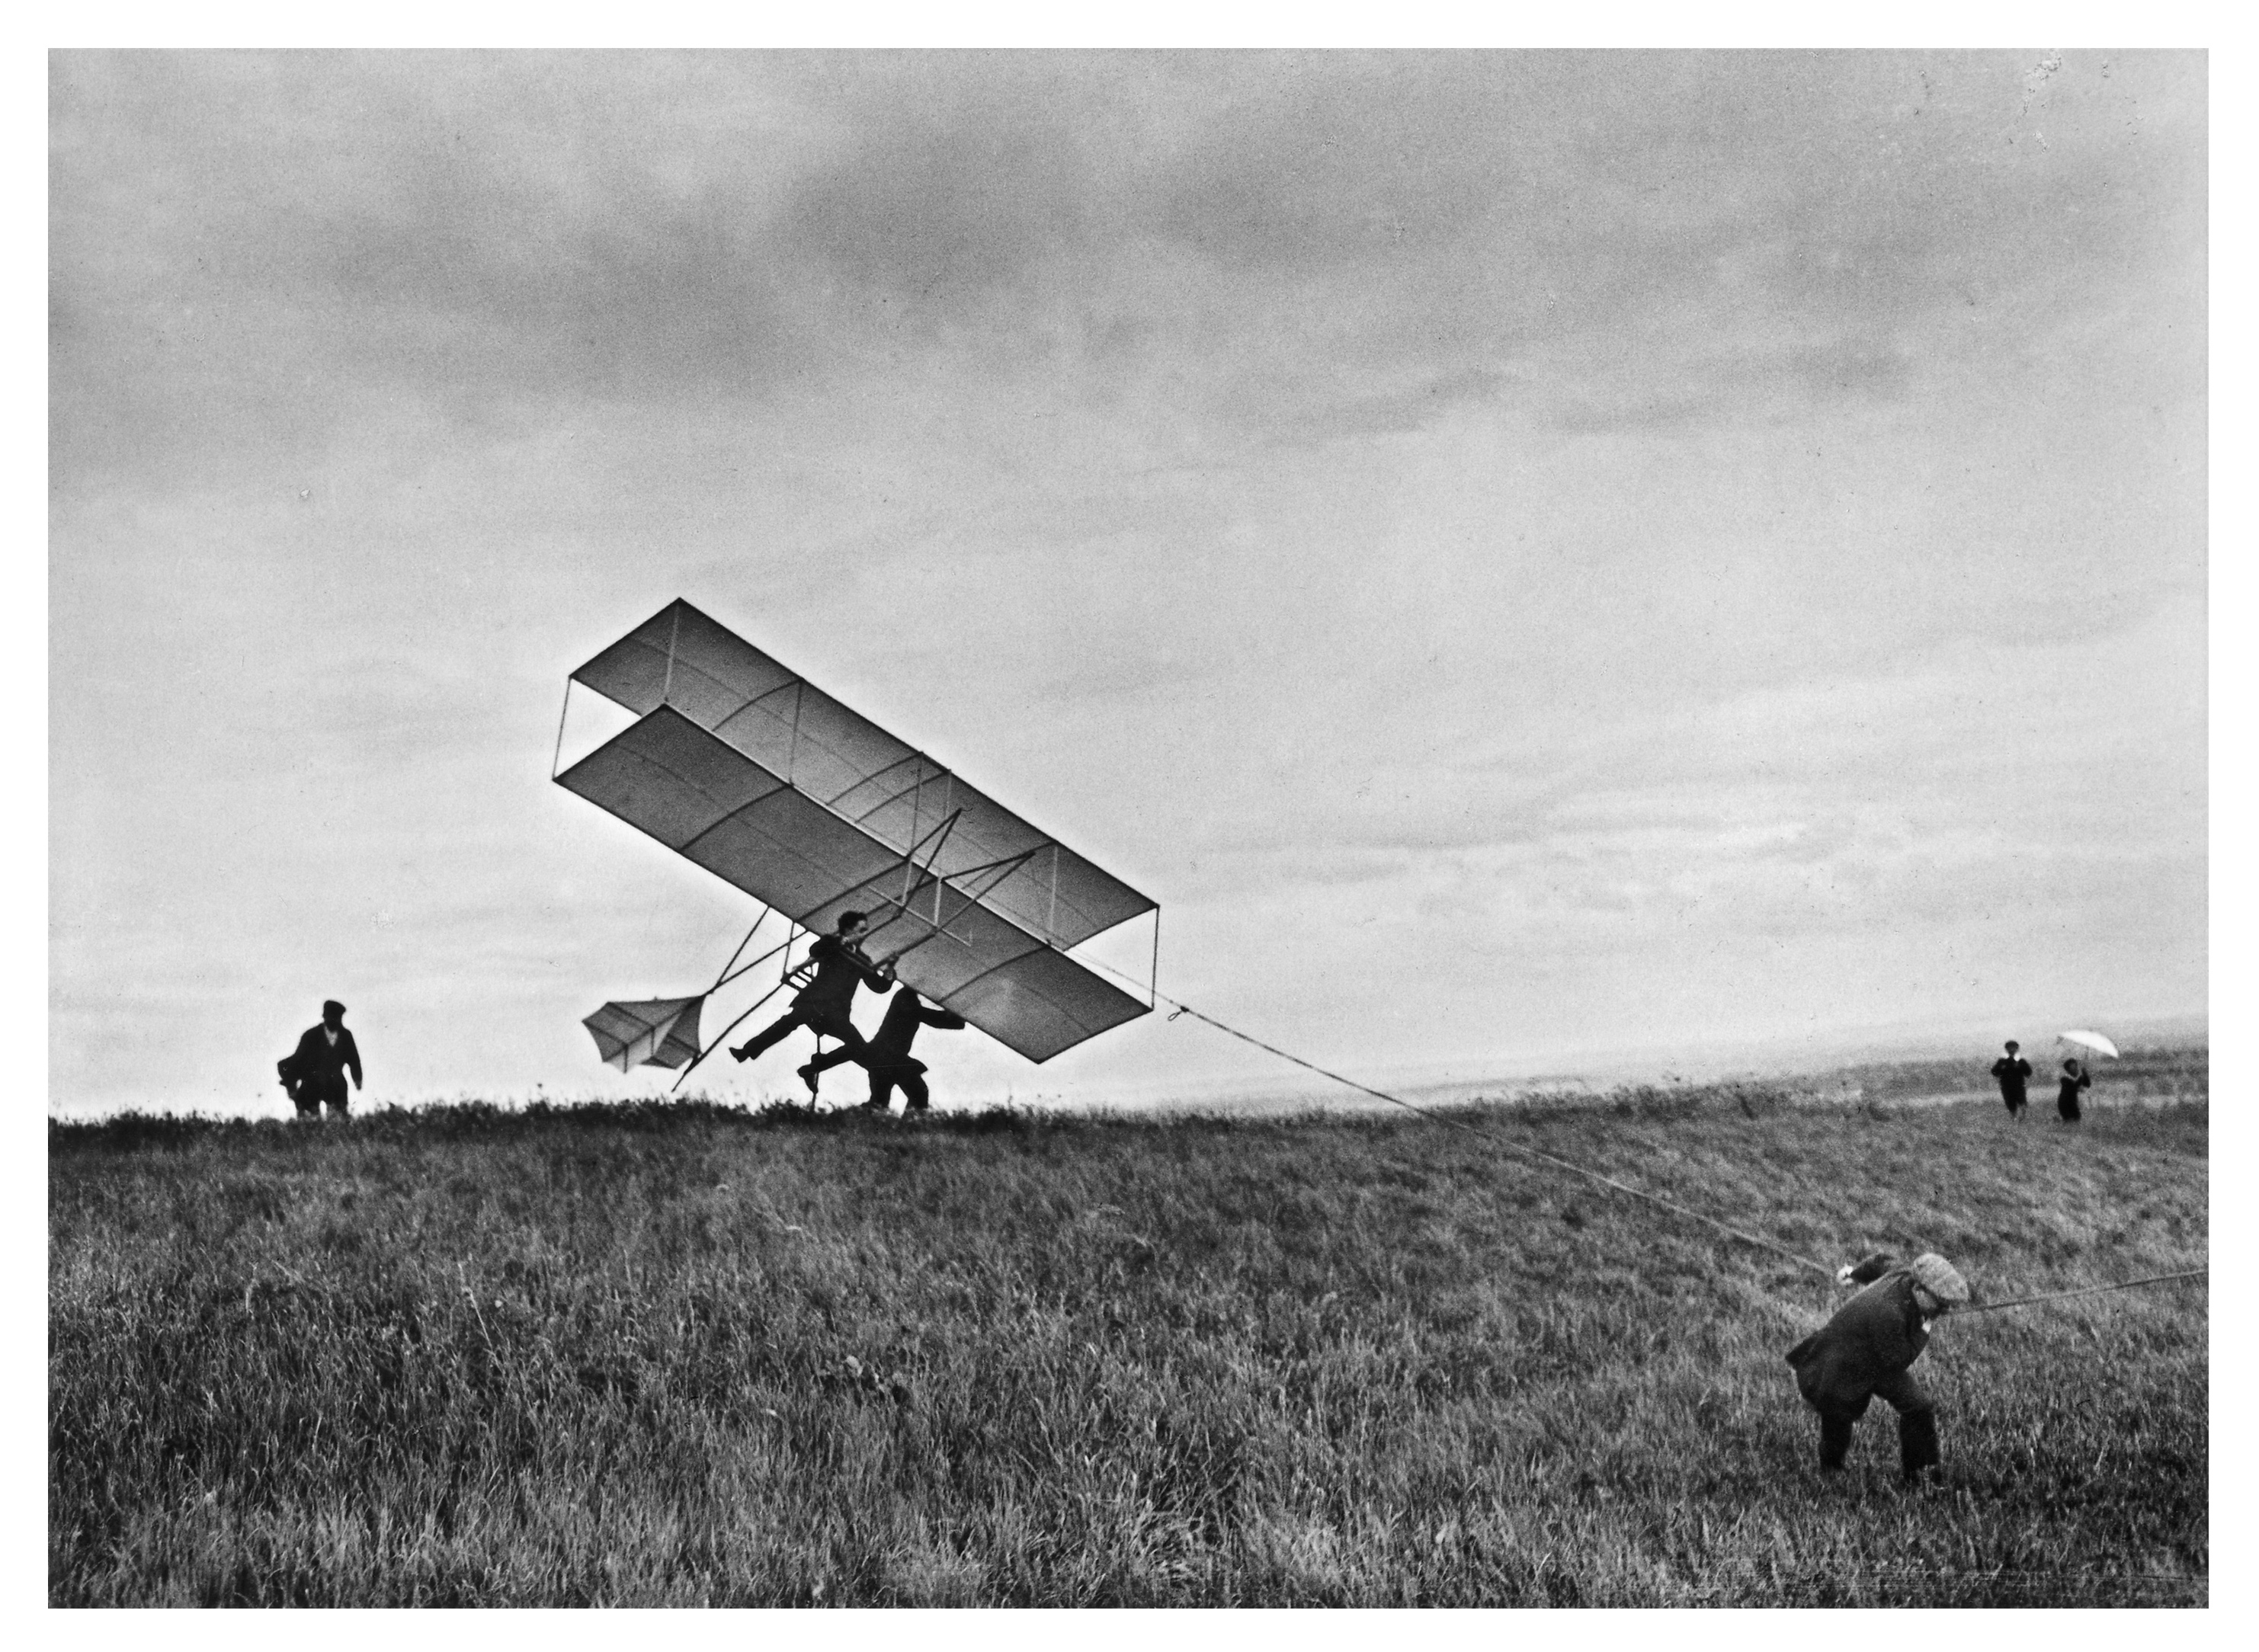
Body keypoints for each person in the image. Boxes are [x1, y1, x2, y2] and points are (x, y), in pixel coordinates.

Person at [1785, 1250, 1969, 1486]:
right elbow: (1898, 1360)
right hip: (1841, 1364)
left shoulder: (1905, 1273)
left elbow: (1879, 1261)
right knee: (1838, 1416)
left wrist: (1853, 1274)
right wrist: (1926, 1327)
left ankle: (1919, 1475)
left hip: (1879, 1358)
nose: (1945, 1310)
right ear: (1919, 1290)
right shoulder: (1888, 1314)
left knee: (1919, 1406)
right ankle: (1831, 1468)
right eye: (1941, 1304)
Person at [729, 911, 892, 1093]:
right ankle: (746, 1051)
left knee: (859, 1047)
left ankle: (814, 1068)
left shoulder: (863, 959)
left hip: (837, 1012)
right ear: (848, 929)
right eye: (861, 930)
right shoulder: (832, 942)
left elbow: (878, 986)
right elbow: (815, 951)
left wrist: (889, 972)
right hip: (815, 1002)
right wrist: (842, 942)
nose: (864, 935)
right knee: (787, 1024)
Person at [857, 984, 967, 1115]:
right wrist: (953, 1018)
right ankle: (909, 1126)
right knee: (917, 1094)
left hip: (886, 1058)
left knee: (881, 1102)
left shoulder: (908, 997)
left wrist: (955, 1020)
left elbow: (928, 1017)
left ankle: (903, 1126)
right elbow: (925, 1016)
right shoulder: (906, 997)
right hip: (888, 1057)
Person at [278, 999, 363, 1120]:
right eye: (332, 1017)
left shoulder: (346, 1036)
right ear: (325, 1017)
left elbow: (354, 1060)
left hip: (336, 1085)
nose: (335, 1020)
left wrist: (357, 1079)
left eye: (338, 1018)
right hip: (311, 1084)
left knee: (338, 1121)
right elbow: (298, 1059)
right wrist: (290, 1084)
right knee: (310, 1122)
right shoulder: (311, 1036)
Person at [1990, 1041, 2033, 1119]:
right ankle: (2014, 1118)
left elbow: (2028, 1073)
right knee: (2010, 1103)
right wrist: (2001, 1068)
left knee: (2022, 1102)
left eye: (2013, 1048)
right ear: (2006, 1049)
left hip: (2019, 1086)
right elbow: (1994, 1072)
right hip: (2006, 1087)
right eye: (2009, 1048)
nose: (2011, 1050)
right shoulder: (2002, 1061)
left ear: (2017, 1049)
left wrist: (2020, 1067)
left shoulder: (2020, 1061)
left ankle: (2023, 1117)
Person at [2057, 1058, 2091, 1123]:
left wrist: (2085, 1072)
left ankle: (2059, 1121)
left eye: (2076, 1066)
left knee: (2077, 1119)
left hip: (2073, 1102)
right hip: (2064, 1103)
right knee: (2069, 1121)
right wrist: (2080, 1088)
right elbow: (2074, 1085)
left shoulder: (2077, 1077)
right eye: (2073, 1067)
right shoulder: (2064, 1078)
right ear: (2068, 1069)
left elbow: (2087, 1084)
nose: (2076, 1068)